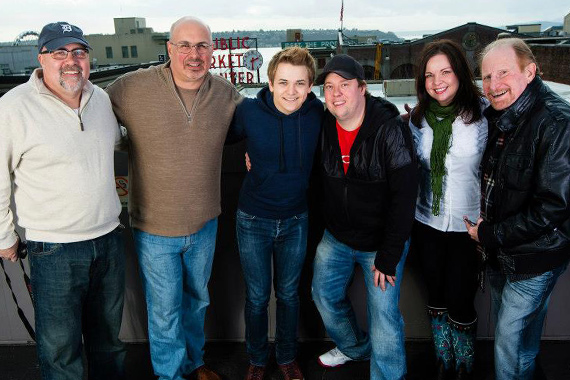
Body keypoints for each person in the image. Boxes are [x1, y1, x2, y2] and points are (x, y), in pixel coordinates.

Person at [106, 16, 242, 380]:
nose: (193, 54)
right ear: (169, 49)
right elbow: (84, 108)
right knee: (164, 312)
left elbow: (266, 118)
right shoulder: (131, 88)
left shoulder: (226, 94)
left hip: (205, 224)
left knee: (198, 303)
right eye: (184, 45)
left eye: (201, 46)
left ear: (212, 51)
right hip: (154, 228)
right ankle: (170, 376)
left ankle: (195, 364)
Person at [0, 22, 126, 379]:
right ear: (41, 57)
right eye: (60, 52)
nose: (70, 61)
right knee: (60, 351)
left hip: (109, 241)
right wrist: (4, 236)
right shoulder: (12, 108)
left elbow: (118, 141)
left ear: (88, 59)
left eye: (79, 52)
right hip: (54, 250)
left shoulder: (100, 99)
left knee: (109, 345)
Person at [467, 38, 570, 380]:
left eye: (503, 73)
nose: (493, 85)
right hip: (502, 252)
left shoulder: (556, 122)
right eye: (486, 77)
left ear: (530, 72)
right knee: (522, 340)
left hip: (535, 257)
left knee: (508, 341)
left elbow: (552, 209)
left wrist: (488, 233)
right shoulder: (502, 114)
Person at [311, 54, 418, 380]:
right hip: (337, 236)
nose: (336, 93)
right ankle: (355, 348)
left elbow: (405, 197)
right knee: (323, 295)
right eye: (329, 87)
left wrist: (388, 255)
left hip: (380, 241)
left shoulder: (389, 130)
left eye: (344, 85)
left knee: (383, 316)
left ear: (362, 89)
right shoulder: (325, 124)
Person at [230, 47, 323, 380]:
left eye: (300, 83)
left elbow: (359, 116)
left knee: (288, 294)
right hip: (253, 219)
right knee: (256, 296)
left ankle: (286, 356)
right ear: (270, 83)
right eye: (283, 82)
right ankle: (256, 358)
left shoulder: (317, 114)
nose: (291, 91)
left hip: (296, 219)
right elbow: (211, 137)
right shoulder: (249, 112)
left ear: (311, 86)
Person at [408, 40, 488, 380]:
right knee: (436, 296)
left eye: (445, 71)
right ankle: (444, 360)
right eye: (429, 74)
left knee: (460, 298)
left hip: (468, 226)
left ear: (459, 72)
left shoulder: (484, 114)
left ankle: (464, 365)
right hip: (425, 222)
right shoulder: (417, 119)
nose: (437, 81)